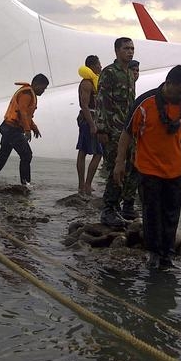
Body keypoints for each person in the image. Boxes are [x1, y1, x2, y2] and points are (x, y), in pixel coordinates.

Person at [114, 64, 181, 270]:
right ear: (169, 83)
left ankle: (167, 255)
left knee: (172, 213)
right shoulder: (145, 103)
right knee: (152, 213)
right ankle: (153, 253)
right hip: (148, 170)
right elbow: (126, 134)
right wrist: (119, 163)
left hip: (174, 171)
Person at [96, 37, 137, 226]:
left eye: (132, 48)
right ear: (117, 51)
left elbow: (130, 103)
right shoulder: (109, 73)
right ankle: (108, 209)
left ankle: (124, 206)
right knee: (115, 168)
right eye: (126, 48)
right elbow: (102, 102)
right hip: (112, 130)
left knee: (130, 168)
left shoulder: (130, 74)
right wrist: (102, 128)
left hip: (127, 130)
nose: (130, 52)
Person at [0, 74, 49, 189]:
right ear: (35, 84)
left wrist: (33, 127)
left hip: (7, 127)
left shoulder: (30, 93)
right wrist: (27, 130)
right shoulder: (26, 94)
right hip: (12, 129)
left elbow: (27, 115)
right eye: (42, 88)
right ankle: (25, 183)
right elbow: (22, 112)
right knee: (26, 155)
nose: (43, 91)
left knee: (4, 153)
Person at [76, 55, 103, 197]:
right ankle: (85, 185)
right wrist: (92, 125)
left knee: (84, 151)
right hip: (88, 120)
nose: (100, 67)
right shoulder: (87, 83)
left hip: (94, 119)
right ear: (91, 66)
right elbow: (84, 106)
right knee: (93, 152)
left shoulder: (94, 81)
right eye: (98, 65)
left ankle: (84, 185)